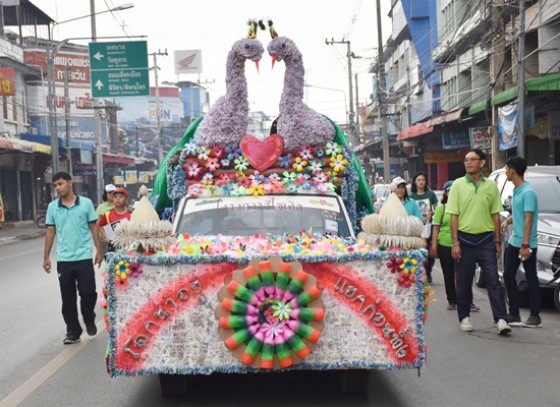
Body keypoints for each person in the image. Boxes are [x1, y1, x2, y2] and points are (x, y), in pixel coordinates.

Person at [446, 148, 511, 335]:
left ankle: (500, 319)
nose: (468, 163)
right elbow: (454, 216)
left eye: (472, 159)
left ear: (482, 163)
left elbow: (496, 215)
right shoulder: (458, 185)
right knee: (464, 282)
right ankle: (464, 317)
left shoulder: (490, 185)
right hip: (464, 240)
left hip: (486, 241)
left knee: (493, 281)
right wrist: (455, 243)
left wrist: (497, 242)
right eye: (466, 160)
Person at [43, 171, 103, 345]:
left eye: (60, 183)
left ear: (70, 183)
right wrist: (46, 257)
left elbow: (93, 227)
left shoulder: (85, 204)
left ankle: (89, 318)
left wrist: (99, 251)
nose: (58, 188)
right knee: (67, 298)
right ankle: (73, 331)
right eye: (55, 185)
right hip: (64, 259)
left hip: (84, 256)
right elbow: (50, 231)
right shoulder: (53, 207)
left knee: (88, 292)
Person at [500, 156, 541, 328]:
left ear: (513, 170)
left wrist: (525, 245)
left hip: (526, 243)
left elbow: (528, 219)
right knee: (508, 275)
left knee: (531, 277)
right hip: (515, 240)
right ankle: (514, 314)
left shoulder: (528, 192)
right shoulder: (517, 191)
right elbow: (518, 214)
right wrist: (507, 221)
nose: (505, 171)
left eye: (507, 168)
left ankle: (535, 315)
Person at [410, 172, 438, 283]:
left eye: (423, 180)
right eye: (419, 180)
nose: (421, 182)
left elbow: (437, 209)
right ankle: (421, 273)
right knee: (419, 251)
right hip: (417, 229)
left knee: (430, 252)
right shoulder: (412, 197)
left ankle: (429, 270)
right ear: (415, 182)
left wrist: (431, 214)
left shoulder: (431, 195)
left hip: (429, 227)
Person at [97, 187, 132, 252]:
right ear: (113, 199)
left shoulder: (131, 214)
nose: (118, 199)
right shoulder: (108, 214)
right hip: (113, 248)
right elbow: (99, 225)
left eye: (121, 197)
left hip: (128, 248)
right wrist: (106, 237)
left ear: (126, 199)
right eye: (115, 197)